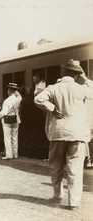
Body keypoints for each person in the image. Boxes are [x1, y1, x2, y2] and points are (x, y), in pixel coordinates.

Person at [34, 59, 93, 210]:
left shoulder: (53, 88)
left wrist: (52, 108)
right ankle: (73, 201)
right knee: (75, 168)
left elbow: (38, 99)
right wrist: (86, 80)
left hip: (57, 133)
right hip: (77, 134)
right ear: (77, 75)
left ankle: (57, 195)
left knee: (56, 165)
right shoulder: (81, 88)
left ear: (64, 72)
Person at [0, 83, 22, 160]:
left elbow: (4, 112)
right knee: (15, 137)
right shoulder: (18, 99)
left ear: (10, 90)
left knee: (8, 138)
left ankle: (9, 155)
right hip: (16, 119)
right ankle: (15, 154)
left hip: (7, 120)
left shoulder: (7, 101)